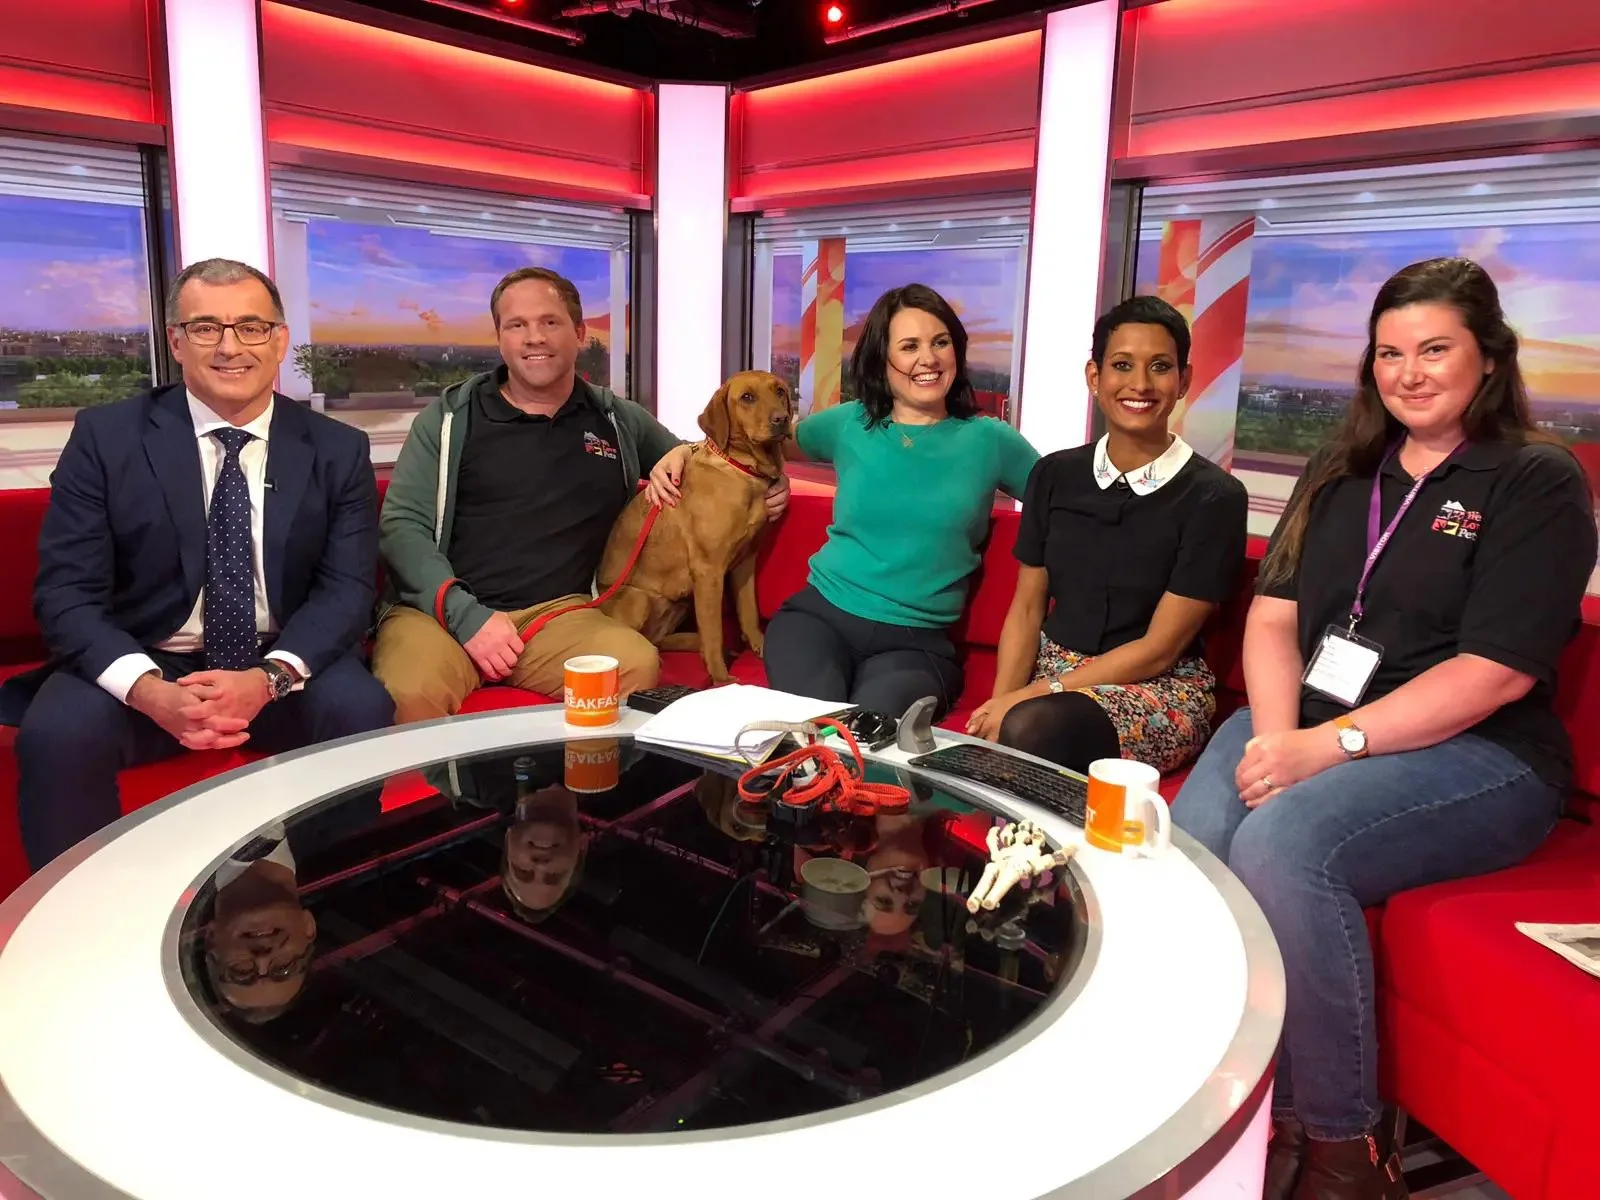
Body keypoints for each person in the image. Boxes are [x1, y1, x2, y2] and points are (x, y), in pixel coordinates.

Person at [1170, 257, 1596, 1200]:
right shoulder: (1342, 465)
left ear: (1488, 357)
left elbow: (1496, 673)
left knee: (1283, 844)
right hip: (1310, 721)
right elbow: (1275, 617)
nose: (1409, 372)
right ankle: (1216, 1096)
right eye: (1389, 353)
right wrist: (1277, 742)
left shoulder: (1535, 477)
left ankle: (1343, 1150)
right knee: (1198, 841)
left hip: (1477, 754)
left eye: (1435, 349)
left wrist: (1321, 753)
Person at [1, 258, 395, 871]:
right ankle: (76, 928)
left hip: (280, 664)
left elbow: (346, 590)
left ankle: (334, 908)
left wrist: (268, 679)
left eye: (251, 327)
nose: (230, 347)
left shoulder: (337, 448)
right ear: (178, 343)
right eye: (207, 328)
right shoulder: (107, 438)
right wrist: (151, 692)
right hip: (148, 658)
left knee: (361, 707)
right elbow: (66, 593)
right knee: (59, 734)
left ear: (281, 340)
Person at [372, 267, 789, 723]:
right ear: (500, 338)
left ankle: (574, 792)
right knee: (407, 694)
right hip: (444, 613)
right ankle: (451, 797)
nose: (534, 337)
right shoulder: (449, 419)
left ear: (579, 332)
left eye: (550, 322)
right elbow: (401, 528)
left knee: (635, 666)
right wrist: (465, 616)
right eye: (517, 325)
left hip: (561, 614)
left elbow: (713, 455)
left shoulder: (615, 418)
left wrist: (759, 476)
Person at [661, 283, 1036, 718]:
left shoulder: (991, 441)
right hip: (818, 618)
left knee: (864, 734)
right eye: (909, 346)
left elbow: (1064, 500)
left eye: (940, 342)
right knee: (812, 727)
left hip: (915, 642)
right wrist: (686, 450)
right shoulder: (851, 422)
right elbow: (762, 438)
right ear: (883, 358)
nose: (928, 359)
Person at [965, 296, 1247, 774]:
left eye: (1160, 367)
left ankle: (1035, 846)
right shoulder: (1054, 475)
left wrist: (1032, 696)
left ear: (1183, 381)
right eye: (1122, 365)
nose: (1140, 384)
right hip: (1052, 675)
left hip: (1157, 686)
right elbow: (1028, 607)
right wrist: (1002, 701)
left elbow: (1160, 647)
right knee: (1010, 733)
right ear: (1095, 378)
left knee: (1033, 727)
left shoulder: (1214, 497)